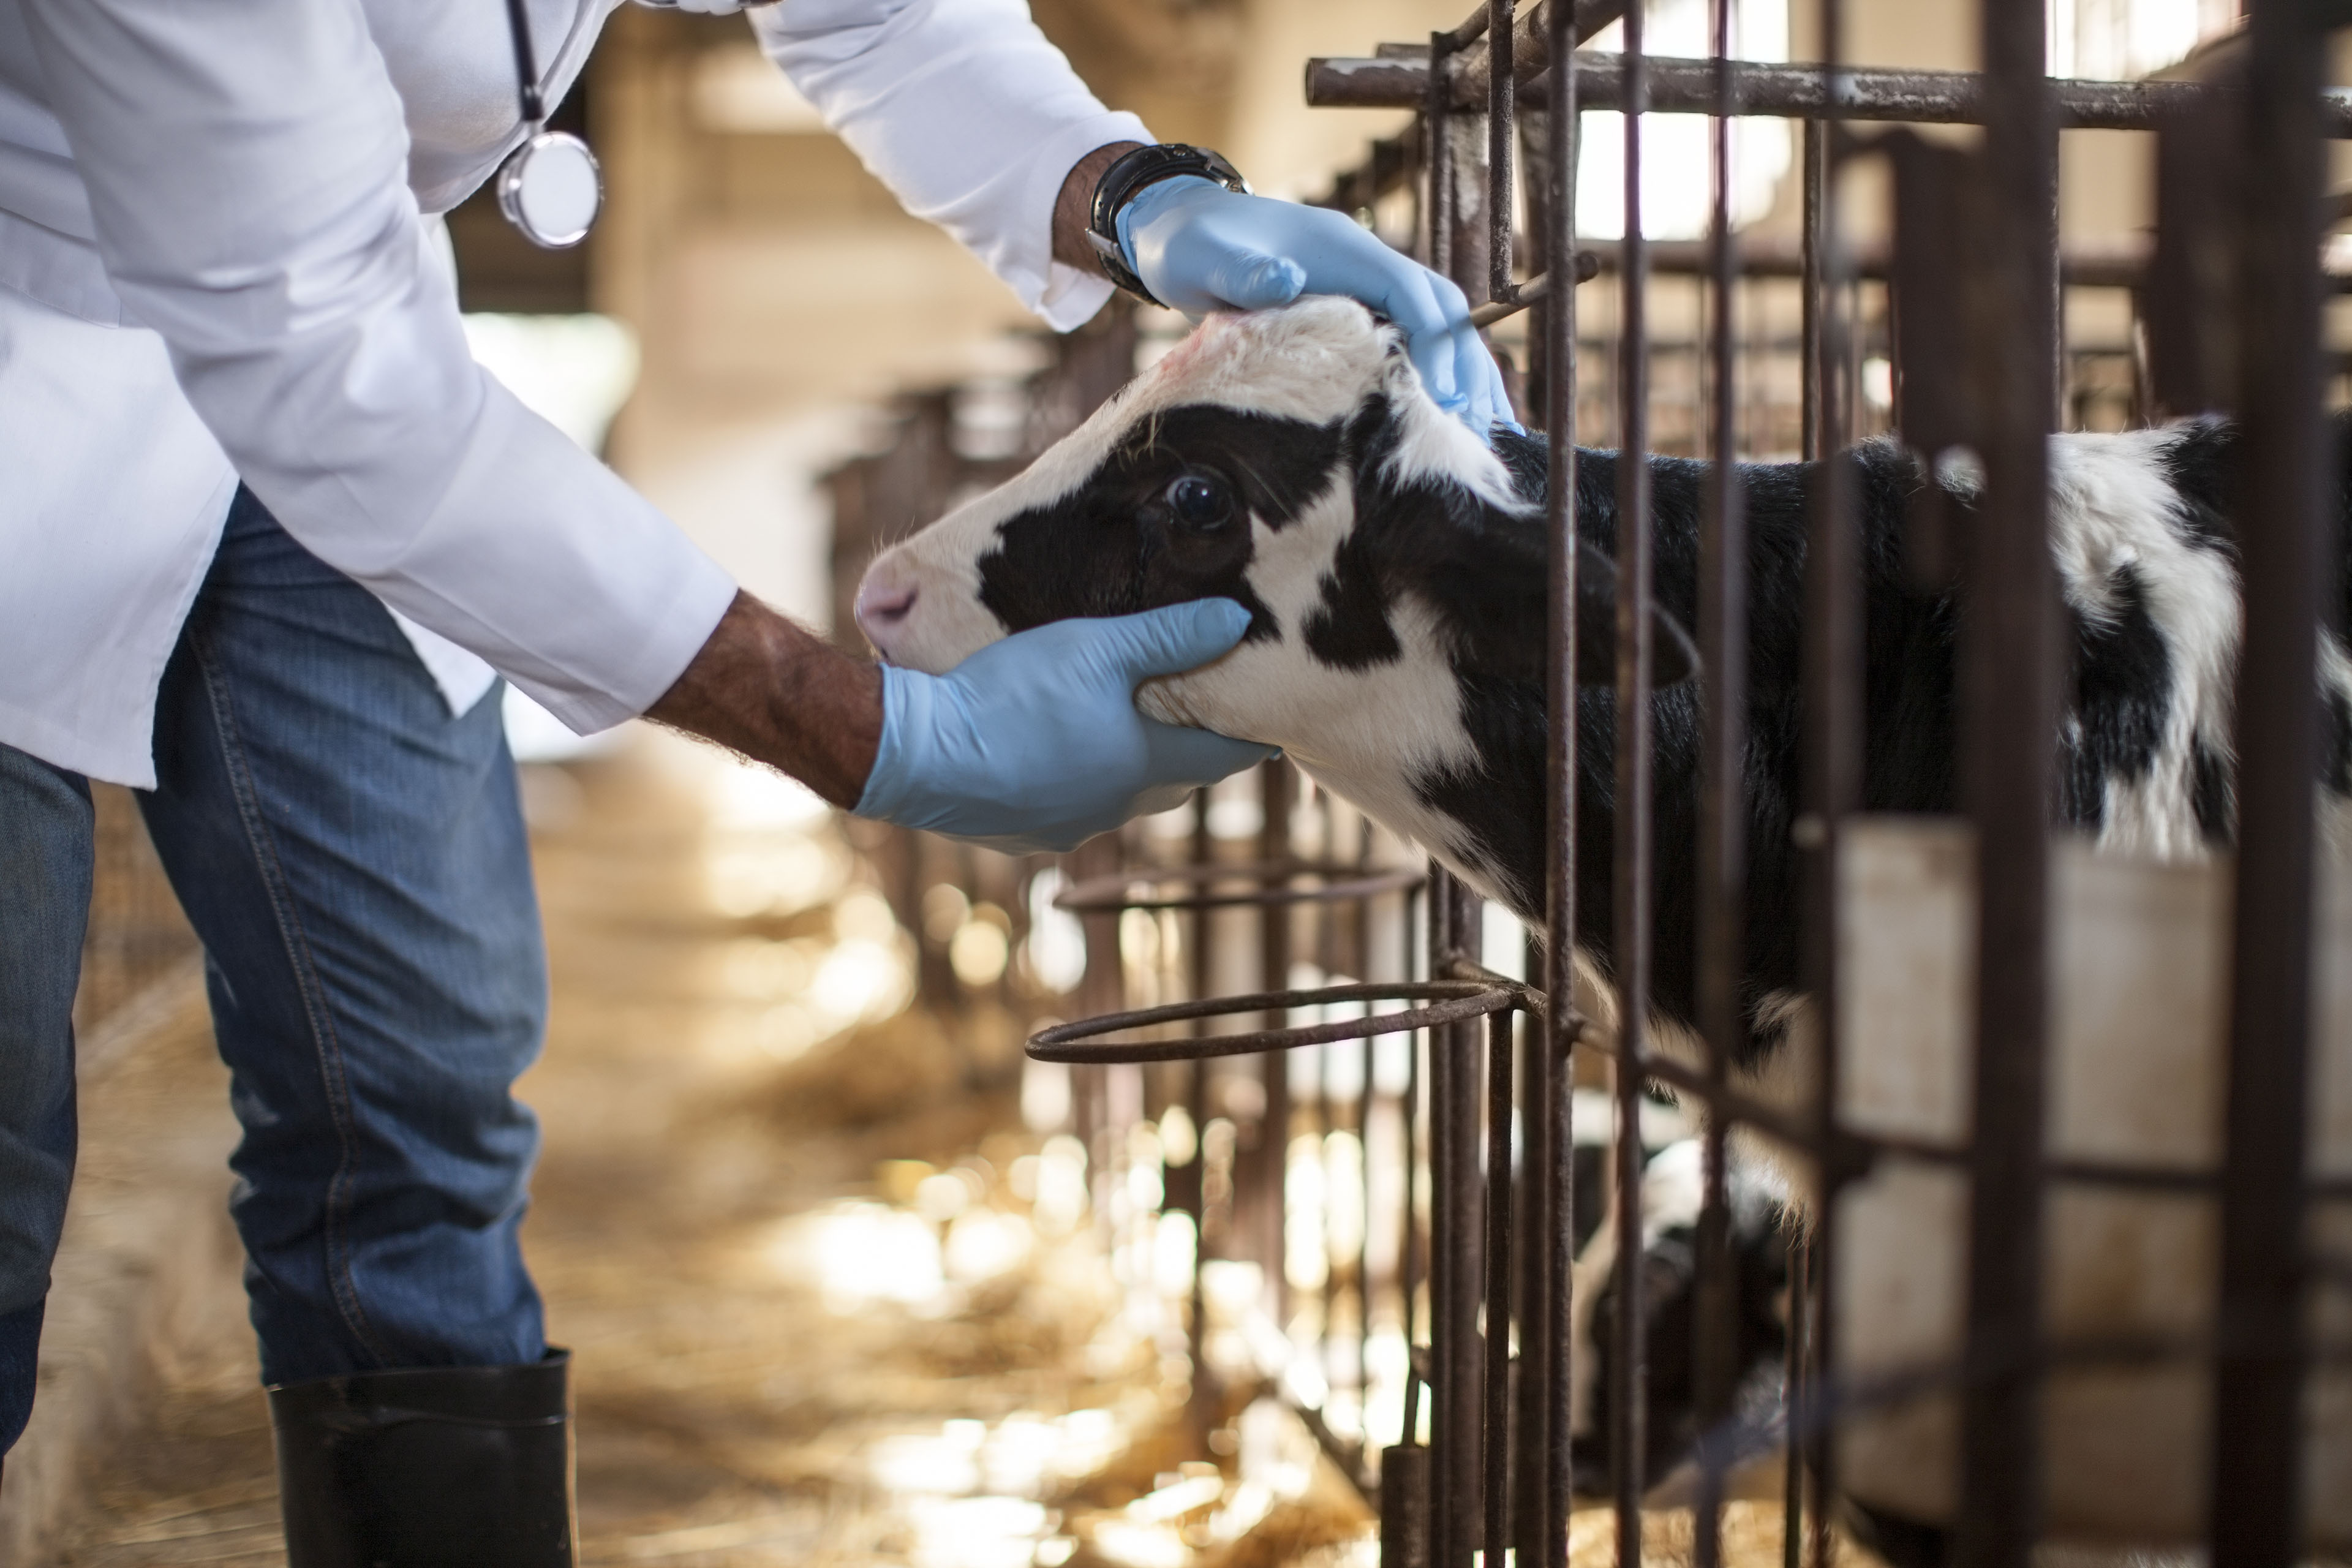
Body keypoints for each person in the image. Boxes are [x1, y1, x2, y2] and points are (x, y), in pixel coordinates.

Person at [0, 0, 1508, 1558]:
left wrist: (1131, 192)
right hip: (38, 345)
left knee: (423, 1082)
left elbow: (876, 12)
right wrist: (876, 736)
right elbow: (329, 368)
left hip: (330, 337)